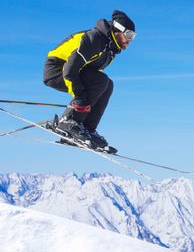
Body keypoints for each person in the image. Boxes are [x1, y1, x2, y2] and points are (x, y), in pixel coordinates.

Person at [42, 10, 136, 153]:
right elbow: (69, 68)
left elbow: (90, 75)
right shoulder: (95, 39)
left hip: (74, 71)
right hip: (57, 68)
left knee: (108, 84)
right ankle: (68, 122)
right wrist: (79, 97)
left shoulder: (110, 49)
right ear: (118, 30)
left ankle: (87, 129)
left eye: (133, 37)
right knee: (101, 81)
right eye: (129, 35)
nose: (130, 40)